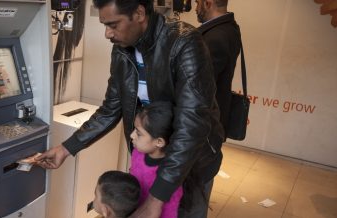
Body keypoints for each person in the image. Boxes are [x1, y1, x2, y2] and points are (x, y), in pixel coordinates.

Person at [36, 0, 224, 217]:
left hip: (191, 164)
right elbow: (110, 109)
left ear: (139, 13)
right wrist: (65, 149)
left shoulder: (184, 42)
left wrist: (156, 198)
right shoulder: (122, 50)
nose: (107, 33)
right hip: (150, 162)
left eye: (113, 25)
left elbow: (192, 124)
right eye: (105, 25)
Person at [195, 0, 242, 138]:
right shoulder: (230, 28)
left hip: (204, 122)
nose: (195, 8)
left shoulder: (215, 37)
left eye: (197, 3)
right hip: (212, 119)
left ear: (208, 3)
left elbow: (199, 86)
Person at [129, 101, 183, 218]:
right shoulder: (137, 153)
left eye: (138, 133)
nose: (132, 135)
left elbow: (169, 211)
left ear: (159, 142)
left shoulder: (170, 173)